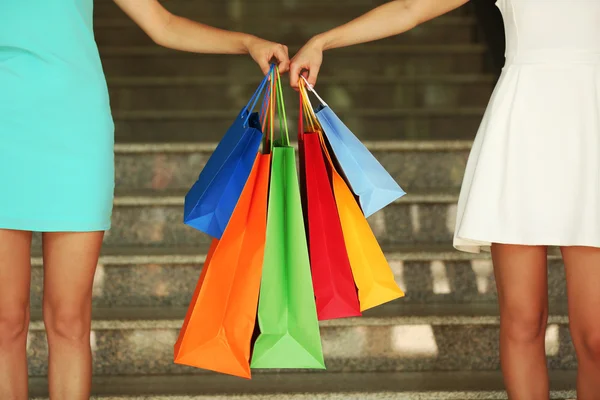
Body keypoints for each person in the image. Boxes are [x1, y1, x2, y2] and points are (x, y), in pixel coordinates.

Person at [291, 0, 600, 398]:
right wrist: (322, 41)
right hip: (522, 131)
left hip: (591, 129)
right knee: (524, 320)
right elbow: (408, 8)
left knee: (595, 335)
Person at [0, 1, 289, 399]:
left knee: (69, 319)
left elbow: (163, 24)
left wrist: (248, 42)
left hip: (74, 132)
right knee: (5, 321)